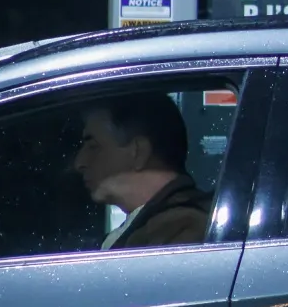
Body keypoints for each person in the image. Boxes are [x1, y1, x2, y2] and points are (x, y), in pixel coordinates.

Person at [73, 92, 212, 249]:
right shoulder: (162, 227)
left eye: (93, 146)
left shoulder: (182, 232)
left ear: (138, 152)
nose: (79, 163)